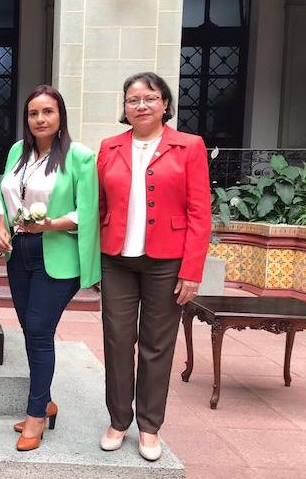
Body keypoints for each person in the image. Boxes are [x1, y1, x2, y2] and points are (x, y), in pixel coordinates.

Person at [97, 72, 210, 461]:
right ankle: (117, 420)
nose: (141, 105)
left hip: (168, 262)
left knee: (157, 345)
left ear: (165, 104)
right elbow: (99, 206)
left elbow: (200, 213)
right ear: (124, 107)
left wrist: (192, 270)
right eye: (133, 99)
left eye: (150, 98)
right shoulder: (109, 147)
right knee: (116, 340)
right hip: (117, 261)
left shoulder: (189, 146)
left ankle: (149, 426)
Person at [0, 85, 100, 452]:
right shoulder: (17, 152)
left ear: (60, 116)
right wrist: (2, 226)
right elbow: (2, 195)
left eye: (48, 112)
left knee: (39, 329)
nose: (40, 119)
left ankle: (36, 413)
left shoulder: (79, 157)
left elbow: (90, 211)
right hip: (20, 251)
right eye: (34, 113)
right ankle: (47, 399)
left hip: (57, 254)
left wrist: (51, 224)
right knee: (30, 329)